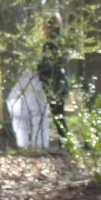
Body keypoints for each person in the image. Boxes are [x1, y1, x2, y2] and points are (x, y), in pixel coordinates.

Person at [36, 13, 69, 142]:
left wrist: (38, 68)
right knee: (58, 114)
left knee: (58, 114)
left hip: (55, 83)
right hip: (59, 82)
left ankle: (64, 141)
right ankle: (64, 140)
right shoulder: (60, 41)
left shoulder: (51, 44)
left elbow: (50, 64)